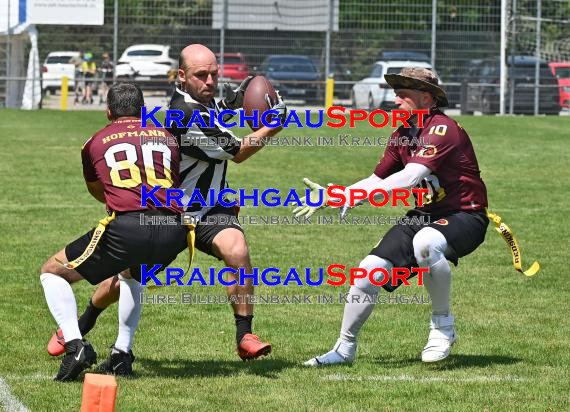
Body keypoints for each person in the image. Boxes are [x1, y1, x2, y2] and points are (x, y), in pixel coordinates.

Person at [47, 44, 287, 362]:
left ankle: (245, 335)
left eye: (215, 73)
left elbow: (215, 118)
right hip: (177, 213)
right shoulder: (186, 114)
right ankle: (83, 322)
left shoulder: (200, 100)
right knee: (126, 279)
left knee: (238, 252)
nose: (211, 81)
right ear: (182, 77)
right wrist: (273, 124)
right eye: (202, 75)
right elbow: (238, 150)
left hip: (211, 209)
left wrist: (230, 105)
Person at [296, 67, 489, 366]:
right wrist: (338, 195)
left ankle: (442, 325)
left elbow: (411, 176)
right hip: (425, 215)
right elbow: (375, 180)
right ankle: (344, 348)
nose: (395, 100)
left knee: (426, 242)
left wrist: (355, 196)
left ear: (425, 97)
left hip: (465, 215)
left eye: (403, 95)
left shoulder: (442, 128)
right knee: (368, 270)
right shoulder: (402, 134)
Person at [40, 83, 189, 381]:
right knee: (131, 275)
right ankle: (122, 354)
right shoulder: (167, 138)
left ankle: (74, 345)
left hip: (130, 227)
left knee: (53, 272)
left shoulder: (94, 141)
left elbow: (100, 191)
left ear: (108, 111)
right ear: (143, 111)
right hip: (175, 231)